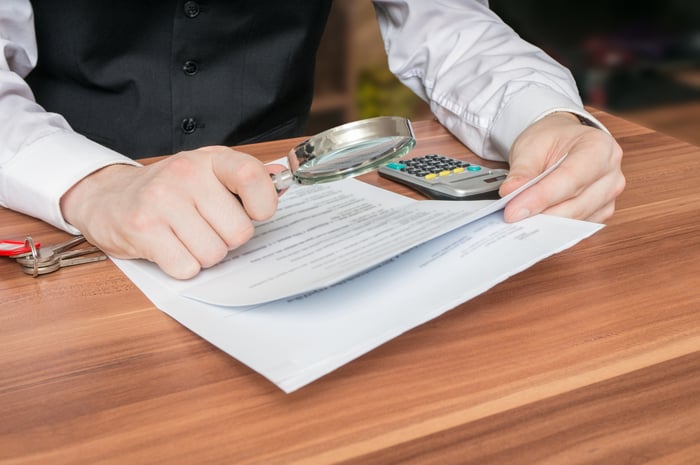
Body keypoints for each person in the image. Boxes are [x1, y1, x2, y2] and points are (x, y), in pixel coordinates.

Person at [0, 0, 624, 279]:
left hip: (277, 213)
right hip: (54, 214)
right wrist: (95, 187)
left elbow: (450, 21)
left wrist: (545, 117)